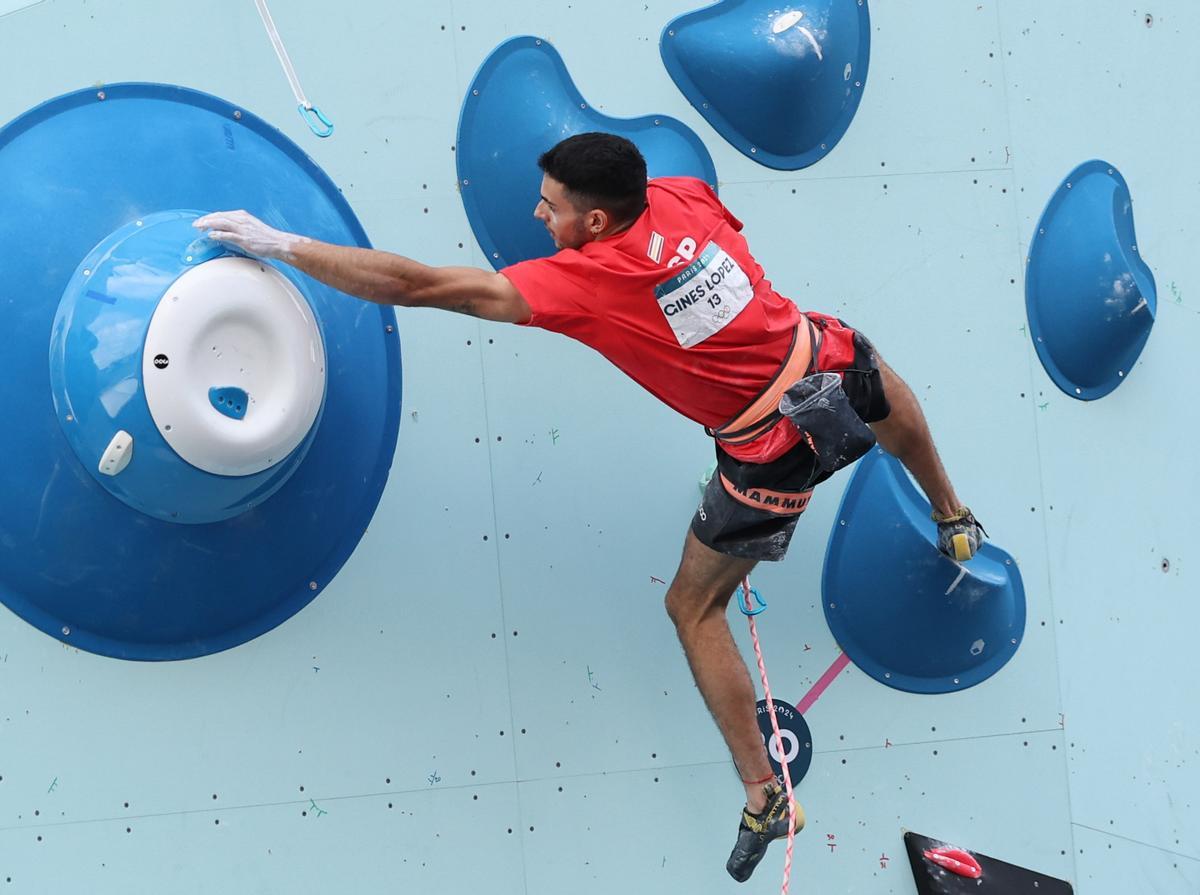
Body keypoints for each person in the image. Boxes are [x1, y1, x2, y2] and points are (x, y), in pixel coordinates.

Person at [196, 131, 984, 883]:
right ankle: (953, 515)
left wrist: (283, 244)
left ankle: (764, 794)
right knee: (873, 375)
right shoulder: (682, 193)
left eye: (552, 205)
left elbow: (419, 286)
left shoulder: (584, 279)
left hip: (769, 452)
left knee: (692, 608)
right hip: (827, 360)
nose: (539, 213)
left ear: (597, 221)